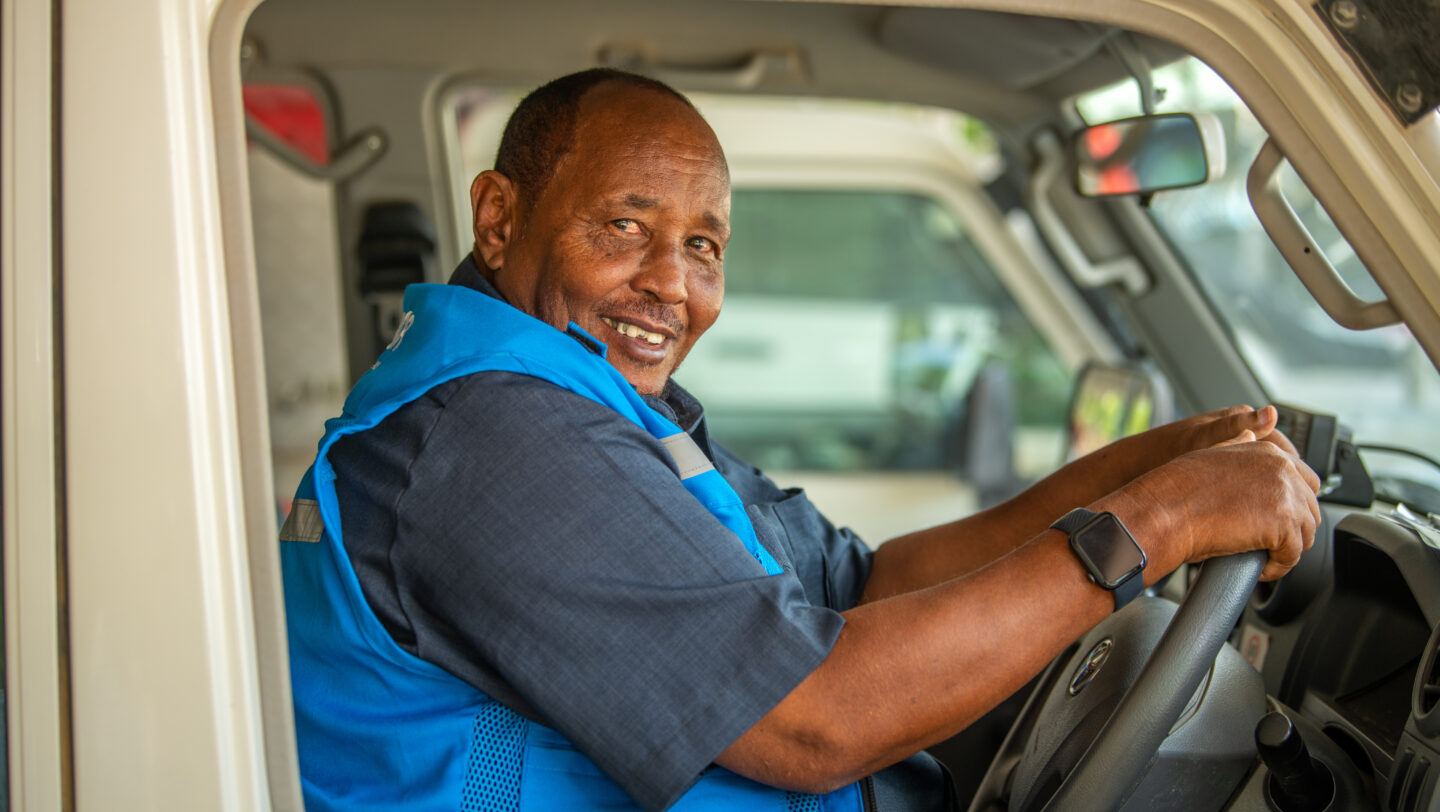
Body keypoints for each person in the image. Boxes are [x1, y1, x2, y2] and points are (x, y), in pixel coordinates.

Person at [279, 68, 1320, 812]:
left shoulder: (585, 403)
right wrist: (1163, 522)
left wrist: (1166, 460)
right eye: (623, 228)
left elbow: (865, 585)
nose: (671, 287)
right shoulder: (491, 441)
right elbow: (817, 721)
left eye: (701, 245)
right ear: (500, 220)